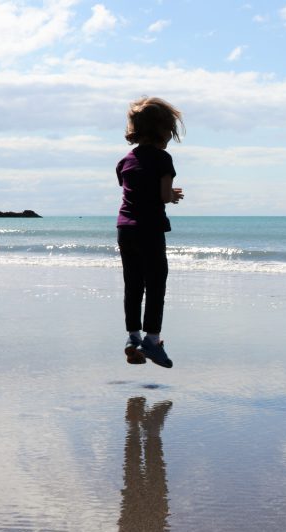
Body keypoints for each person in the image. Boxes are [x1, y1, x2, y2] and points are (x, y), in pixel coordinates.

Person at [116, 96, 184, 368]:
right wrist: (172, 196)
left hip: (125, 228)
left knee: (133, 285)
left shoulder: (125, 161)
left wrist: (161, 193)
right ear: (160, 130)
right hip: (150, 229)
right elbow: (163, 195)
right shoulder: (163, 159)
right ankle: (152, 341)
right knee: (156, 284)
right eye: (169, 130)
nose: (170, 135)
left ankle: (132, 338)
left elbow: (133, 189)